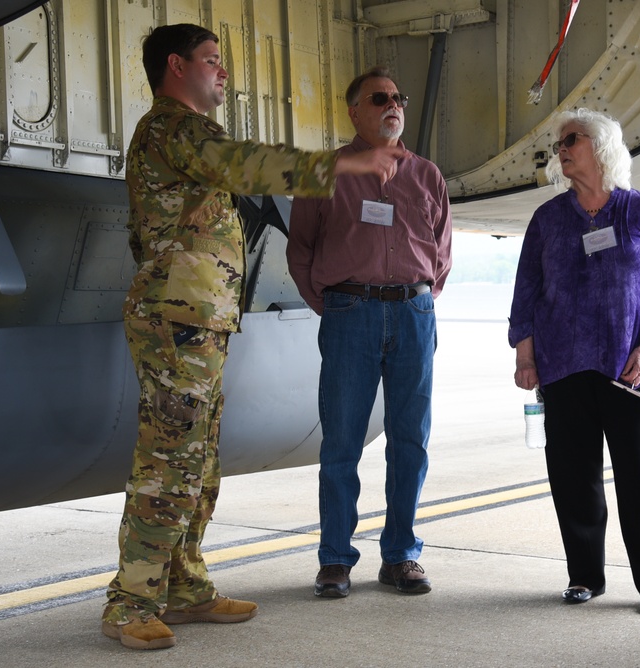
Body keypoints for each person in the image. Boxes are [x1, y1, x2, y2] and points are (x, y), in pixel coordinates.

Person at [103, 24, 403, 651]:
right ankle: (130, 602)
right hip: (176, 319)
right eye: (212, 61)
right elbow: (241, 165)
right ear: (176, 66)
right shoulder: (174, 129)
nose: (223, 73)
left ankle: (182, 587)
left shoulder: (183, 134)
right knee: (169, 462)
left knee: (197, 460)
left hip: (196, 318)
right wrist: (343, 161)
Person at [287, 65, 452, 599]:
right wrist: (336, 305)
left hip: (412, 314)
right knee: (341, 443)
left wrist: (415, 298)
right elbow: (301, 250)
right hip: (349, 313)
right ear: (354, 110)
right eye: (380, 97)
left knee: (411, 440)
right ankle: (335, 559)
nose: (393, 104)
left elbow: (441, 256)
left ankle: (401, 556)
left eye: (399, 96)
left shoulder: (427, 175)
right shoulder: (327, 170)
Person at [508, 108, 640, 613]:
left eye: (571, 140)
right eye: (558, 143)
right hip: (563, 365)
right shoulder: (548, 219)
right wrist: (526, 355)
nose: (561, 149)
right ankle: (584, 576)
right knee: (572, 475)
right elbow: (527, 291)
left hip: (629, 367)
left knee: (637, 474)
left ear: (601, 147)